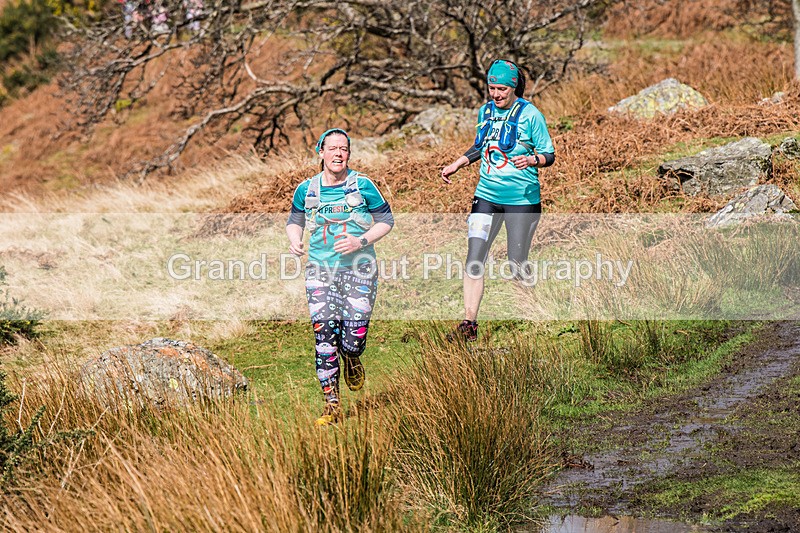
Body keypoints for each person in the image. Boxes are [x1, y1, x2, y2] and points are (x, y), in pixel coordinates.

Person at [441, 59, 555, 342]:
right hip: (486, 197)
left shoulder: (531, 115)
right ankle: (469, 324)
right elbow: (481, 144)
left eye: (501, 89)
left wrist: (531, 159)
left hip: (521, 199)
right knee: (474, 258)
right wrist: (458, 163)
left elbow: (549, 155)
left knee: (516, 261)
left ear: (513, 86)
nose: (496, 94)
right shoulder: (486, 111)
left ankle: (535, 312)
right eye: (492, 88)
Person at [286, 129, 394, 426]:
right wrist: (294, 240)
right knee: (324, 339)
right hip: (320, 273)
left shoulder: (363, 185)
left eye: (343, 149)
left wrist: (360, 242)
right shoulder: (306, 190)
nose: (338, 154)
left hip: (360, 272)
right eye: (332, 148)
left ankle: (352, 357)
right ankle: (332, 405)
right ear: (320, 152)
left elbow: (386, 220)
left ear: (349, 154)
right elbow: (294, 221)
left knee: (352, 341)